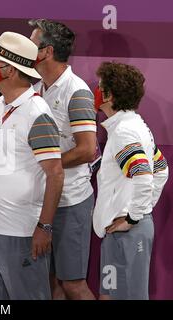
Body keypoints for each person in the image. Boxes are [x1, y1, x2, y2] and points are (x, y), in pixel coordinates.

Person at [0, 31, 64, 300]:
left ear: (10, 70)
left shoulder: (38, 113)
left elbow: (55, 174)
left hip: (21, 233)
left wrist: (44, 227)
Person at [29, 19, 97, 300]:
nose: (26, 48)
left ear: (46, 52)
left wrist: (48, 165)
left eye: (32, 44)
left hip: (71, 201)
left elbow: (87, 149)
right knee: (51, 282)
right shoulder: (36, 89)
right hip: (44, 201)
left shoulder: (76, 91)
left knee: (73, 284)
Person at [93, 62, 169, 300]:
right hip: (120, 233)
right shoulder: (134, 126)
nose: (96, 91)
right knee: (107, 297)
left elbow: (145, 176)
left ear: (110, 95)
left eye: (100, 86)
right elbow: (161, 169)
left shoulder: (125, 131)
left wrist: (135, 216)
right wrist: (142, 211)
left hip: (127, 234)